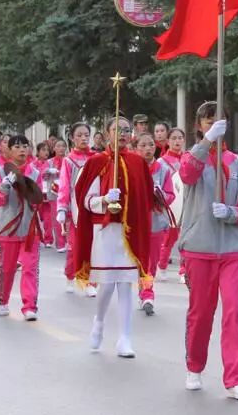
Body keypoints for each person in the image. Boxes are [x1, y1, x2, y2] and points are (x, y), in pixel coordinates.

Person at [177, 103, 238, 400]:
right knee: (201, 313)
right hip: (200, 247)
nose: (213, 123)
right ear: (199, 125)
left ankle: (234, 378)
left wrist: (232, 212)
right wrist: (207, 141)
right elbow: (187, 174)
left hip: (234, 248)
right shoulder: (192, 156)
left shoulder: (237, 164)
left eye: (218, 120)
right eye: (208, 120)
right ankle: (194, 367)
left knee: (234, 311)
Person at [72, 118, 153, 358]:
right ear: (107, 133)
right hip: (105, 231)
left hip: (129, 232)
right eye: (117, 130)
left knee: (126, 284)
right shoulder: (97, 162)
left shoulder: (138, 163)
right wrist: (105, 200)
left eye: (127, 130)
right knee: (107, 284)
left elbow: (145, 198)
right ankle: (99, 321)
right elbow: (86, 200)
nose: (123, 134)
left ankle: (125, 338)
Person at [0, 135, 43, 321]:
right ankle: (3, 300)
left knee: (30, 267)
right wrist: (4, 187)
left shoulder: (35, 173)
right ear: (9, 150)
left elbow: (39, 200)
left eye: (25, 146)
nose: (22, 150)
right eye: (17, 146)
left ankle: (29, 306)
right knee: (7, 268)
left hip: (29, 228)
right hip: (7, 228)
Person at [136, 131, 175, 316]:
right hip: (135, 223)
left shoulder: (163, 169)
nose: (147, 149)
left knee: (150, 263)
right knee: (139, 262)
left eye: (151, 144)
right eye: (142, 145)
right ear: (136, 149)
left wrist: (160, 195)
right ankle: (143, 292)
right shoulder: (131, 169)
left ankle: (147, 293)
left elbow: (170, 195)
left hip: (156, 223)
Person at [56, 122, 97, 295]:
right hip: (74, 211)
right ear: (72, 138)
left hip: (93, 209)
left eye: (86, 135)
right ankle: (70, 275)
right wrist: (62, 208)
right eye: (79, 135)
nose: (83, 138)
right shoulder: (69, 160)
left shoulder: (96, 158)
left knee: (93, 247)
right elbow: (64, 185)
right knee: (75, 247)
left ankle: (89, 282)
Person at [156, 127, 185, 282]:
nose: (177, 141)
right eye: (173, 138)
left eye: (180, 138)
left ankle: (183, 271)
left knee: (185, 238)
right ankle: (161, 266)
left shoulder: (188, 160)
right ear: (168, 141)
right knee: (169, 239)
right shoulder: (161, 162)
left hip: (186, 205)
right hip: (169, 206)